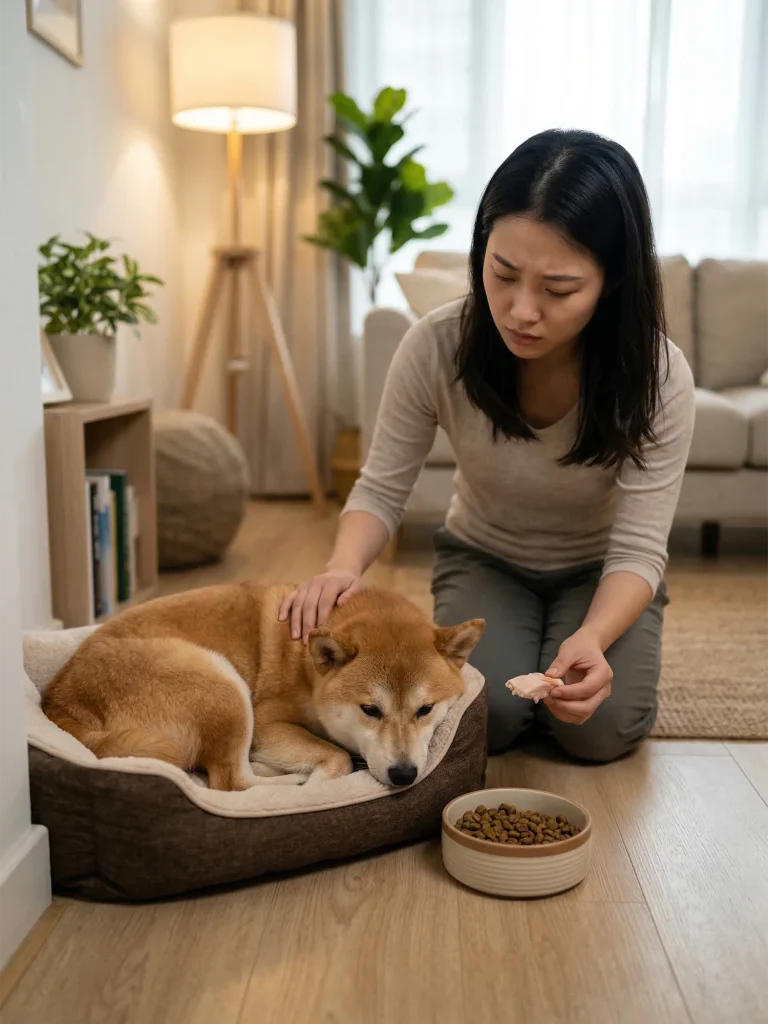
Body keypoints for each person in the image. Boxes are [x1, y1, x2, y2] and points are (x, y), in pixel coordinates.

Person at [279, 128, 695, 762]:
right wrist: (342, 568)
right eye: (501, 274)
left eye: (558, 290)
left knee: (596, 732)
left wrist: (595, 635)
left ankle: (592, 648)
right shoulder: (436, 344)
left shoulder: (658, 377)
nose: (520, 311)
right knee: (485, 718)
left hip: (601, 569)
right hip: (485, 556)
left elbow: (640, 546)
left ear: (611, 283)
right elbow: (382, 484)